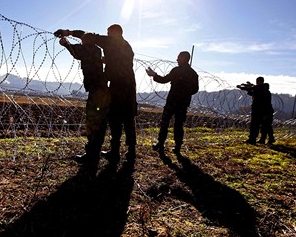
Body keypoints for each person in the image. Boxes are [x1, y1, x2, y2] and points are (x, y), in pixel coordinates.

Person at [55, 24, 137, 165]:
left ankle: (109, 152)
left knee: (114, 118)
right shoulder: (127, 46)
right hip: (129, 85)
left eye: (108, 32)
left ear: (114, 32)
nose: (106, 35)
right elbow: (119, 62)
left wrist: (68, 32)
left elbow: (89, 37)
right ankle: (129, 152)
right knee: (128, 118)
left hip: (117, 86)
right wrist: (107, 61)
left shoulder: (112, 41)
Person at [57, 33, 110, 169]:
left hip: (97, 91)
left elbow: (77, 53)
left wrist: (66, 44)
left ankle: (91, 154)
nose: (81, 42)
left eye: (83, 40)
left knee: (93, 120)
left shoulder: (90, 49)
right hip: (100, 90)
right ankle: (94, 152)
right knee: (99, 121)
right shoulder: (97, 50)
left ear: (87, 41)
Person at [146, 51, 199, 154]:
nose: (177, 59)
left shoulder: (176, 70)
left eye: (178, 57)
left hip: (172, 101)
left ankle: (160, 144)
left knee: (165, 123)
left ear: (184, 58)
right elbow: (195, 90)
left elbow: (164, 79)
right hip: (183, 103)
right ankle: (177, 147)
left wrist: (154, 75)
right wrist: (186, 93)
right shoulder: (193, 74)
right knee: (179, 125)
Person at [240, 76, 266, 145]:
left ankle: (252, 139)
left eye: (257, 81)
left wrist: (241, 87)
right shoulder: (262, 88)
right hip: (260, 108)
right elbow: (252, 92)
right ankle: (254, 138)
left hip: (257, 108)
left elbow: (251, 88)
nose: (256, 82)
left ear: (259, 81)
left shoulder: (259, 87)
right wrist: (247, 88)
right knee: (256, 124)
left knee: (254, 124)